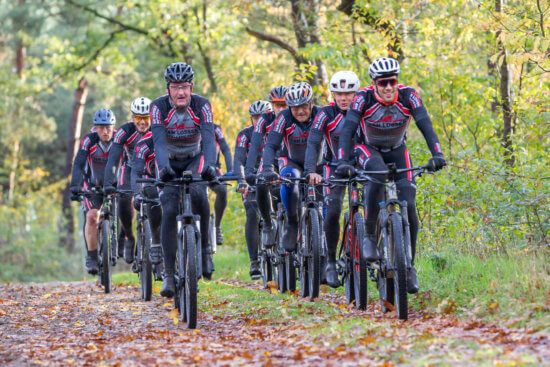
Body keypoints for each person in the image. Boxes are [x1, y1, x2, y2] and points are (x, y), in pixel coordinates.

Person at [336, 57, 446, 294]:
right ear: (374, 83)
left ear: (397, 81)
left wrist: (437, 154)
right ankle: (369, 234)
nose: (388, 87)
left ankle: (409, 267)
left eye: (392, 81)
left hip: (397, 149)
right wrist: (343, 161)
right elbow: (347, 130)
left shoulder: (409, 96)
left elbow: (425, 124)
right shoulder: (362, 99)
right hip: (368, 148)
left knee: (410, 202)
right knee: (378, 173)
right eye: (383, 82)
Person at [150, 62, 218, 297]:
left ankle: (206, 251)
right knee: (168, 209)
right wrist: (163, 169)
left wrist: (210, 165)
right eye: (176, 87)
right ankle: (169, 274)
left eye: (185, 87)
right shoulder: (157, 107)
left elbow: (209, 139)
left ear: (192, 87)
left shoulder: (202, 105)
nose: (181, 93)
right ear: (168, 88)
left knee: (199, 193)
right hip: (170, 161)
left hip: (194, 158)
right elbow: (157, 142)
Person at [304, 71, 361, 288]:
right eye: (339, 93)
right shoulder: (325, 113)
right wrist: (311, 170)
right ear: (333, 94)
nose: (344, 98)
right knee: (333, 209)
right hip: (332, 167)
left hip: (360, 165)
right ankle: (330, 262)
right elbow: (314, 142)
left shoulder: (363, 111)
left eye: (348, 93)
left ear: (356, 94)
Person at [258, 82, 322, 253]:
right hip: (292, 161)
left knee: (327, 206)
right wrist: (268, 168)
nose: (300, 111)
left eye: (303, 106)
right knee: (289, 180)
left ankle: (323, 253)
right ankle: (292, 222)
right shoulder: (284, 117)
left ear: (311, 103)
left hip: (318, 164)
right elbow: (271, 145)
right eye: (295, 108)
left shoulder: (321, 114)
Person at [103, 97, 152, 264]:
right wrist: (108, 183)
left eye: (146, 118)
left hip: (151, 169)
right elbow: (113, 158)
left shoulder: (158, 130)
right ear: (132, 118)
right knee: (124, 199)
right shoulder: (125, 131)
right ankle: (129, 237)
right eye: (138, 117)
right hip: (130, 167)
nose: (142, 122)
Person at [70, 109, 116, 275]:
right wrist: (74, 186)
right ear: (95, 128)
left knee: (129, 207)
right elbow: (79, 162)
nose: (105, 131)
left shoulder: (119, 139)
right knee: (91, 217)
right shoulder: (88, 141)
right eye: (101, 127)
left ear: (113, 127)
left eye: (108, 127)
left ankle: (127, 243)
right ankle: (92, 257)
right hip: (92, 186)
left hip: (115, 185)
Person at [244, 86, 288, 246]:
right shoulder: (264, 120)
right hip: (269, 161)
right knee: (261, 181)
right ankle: (268, 224)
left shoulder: (295, 116)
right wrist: (248, 172)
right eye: (277, 105)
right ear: (272, 106)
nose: (281, 109)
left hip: (289, 161)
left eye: (284, 105)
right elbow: (255, 146)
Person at [234, 100, 273, 279]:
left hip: (273, 175)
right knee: (252, 213)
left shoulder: (277, 131)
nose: (259, 121)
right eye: (255, 117)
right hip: (251, 178)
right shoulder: (245, 135)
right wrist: (242, 181)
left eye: (262, 117)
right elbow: (239, 160)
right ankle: (254, 262)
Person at [130, 131, 163, 265]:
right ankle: (155, 241)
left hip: (169, 179)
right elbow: (135, 172)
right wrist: (136, 193)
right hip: (150, 180)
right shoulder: (144, 144)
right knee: (152, 194)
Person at [209, 124, 233, 246]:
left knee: (223, 190)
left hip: (213, 169)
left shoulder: (216, 129)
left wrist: (230, 170)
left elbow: (226, 148)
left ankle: (217, 226)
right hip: (193, 169)